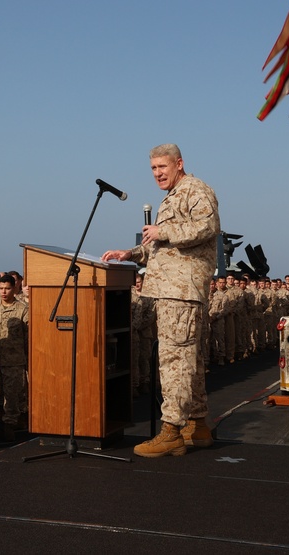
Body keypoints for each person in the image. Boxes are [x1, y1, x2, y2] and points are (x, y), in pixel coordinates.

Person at [102, 143, 220, 457]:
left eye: (162, 167)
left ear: (179, 164)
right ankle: (197, 425)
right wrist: (130, 253)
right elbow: (161, 248)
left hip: (181, 291)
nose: (157, 174)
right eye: (153, 169)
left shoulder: (196, 190)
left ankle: (171, 431)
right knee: (188, 363)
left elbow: (207, 227)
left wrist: (164, 232)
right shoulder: (171, 197)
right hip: (169, 288)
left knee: (174, 362)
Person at [0, 274, 28, 441]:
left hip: (14, 361)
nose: (3, 292)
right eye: (0, 288)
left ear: (14, 288)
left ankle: (10, 423)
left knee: (12, 395)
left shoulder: (23, 310)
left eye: (7, 288)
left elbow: (28, 336)